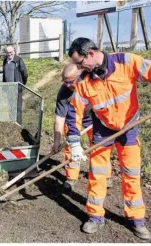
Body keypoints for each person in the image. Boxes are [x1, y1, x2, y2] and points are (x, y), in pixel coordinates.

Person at [67, 37, 151, 240]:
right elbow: (74, 112)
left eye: (79, 63)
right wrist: (74, 142)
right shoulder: (84, 82)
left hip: (129, 126)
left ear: (91, 54)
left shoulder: (126, 61)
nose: (78, 68)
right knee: (98, 173)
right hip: (102, 129)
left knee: (131, 173)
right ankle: (95, 216)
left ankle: (136, 220)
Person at [52, 64, 113, 191]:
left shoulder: (93, 83)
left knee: (100, 146)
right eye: (65, 82)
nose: (68, 85)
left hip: (94, 117)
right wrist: (56, 141)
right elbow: (59, 118)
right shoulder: (64, 93)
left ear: (80, 76)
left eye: (70, 82)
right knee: (71, 146)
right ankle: (72, 177)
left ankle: (104, 176)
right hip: (73, 119)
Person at [2, 46, 28, 124]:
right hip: (8, 87)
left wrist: (21, 84)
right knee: (10, 106)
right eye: (7, 52)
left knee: (17, 107)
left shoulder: (18, 60)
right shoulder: (5, 61)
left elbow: (25, 74)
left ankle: (18, 124)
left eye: (11, 52)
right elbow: (4, 74)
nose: (9, 54)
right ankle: (11, 121)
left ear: (14, 51)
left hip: (17, 87)